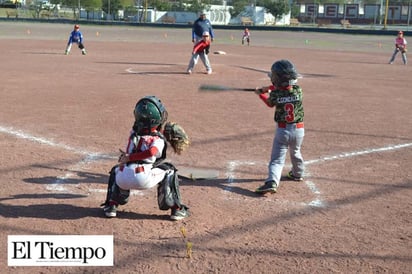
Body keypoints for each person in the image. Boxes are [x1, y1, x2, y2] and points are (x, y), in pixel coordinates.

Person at [102, 96, 190, 221]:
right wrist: (132, 157)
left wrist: (128, 157)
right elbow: (151, 151)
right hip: (143, 178)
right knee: (170, 170)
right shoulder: (158, 140)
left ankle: (111, 206)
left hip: (123, 177)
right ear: (157, 119)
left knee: (115, 170)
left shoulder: (132, 132)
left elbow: (146, 131)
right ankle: (176, 209)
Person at [254, 60, 305, 194]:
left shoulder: (276, 94)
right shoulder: (298, 91)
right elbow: (284, 89)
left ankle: (272, 181)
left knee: (277, 159)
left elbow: (270, 103)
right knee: (295, 152)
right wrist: (268, 88)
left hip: (283, 131)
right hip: (299, 130)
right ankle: (297, 173)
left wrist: (261, 94)